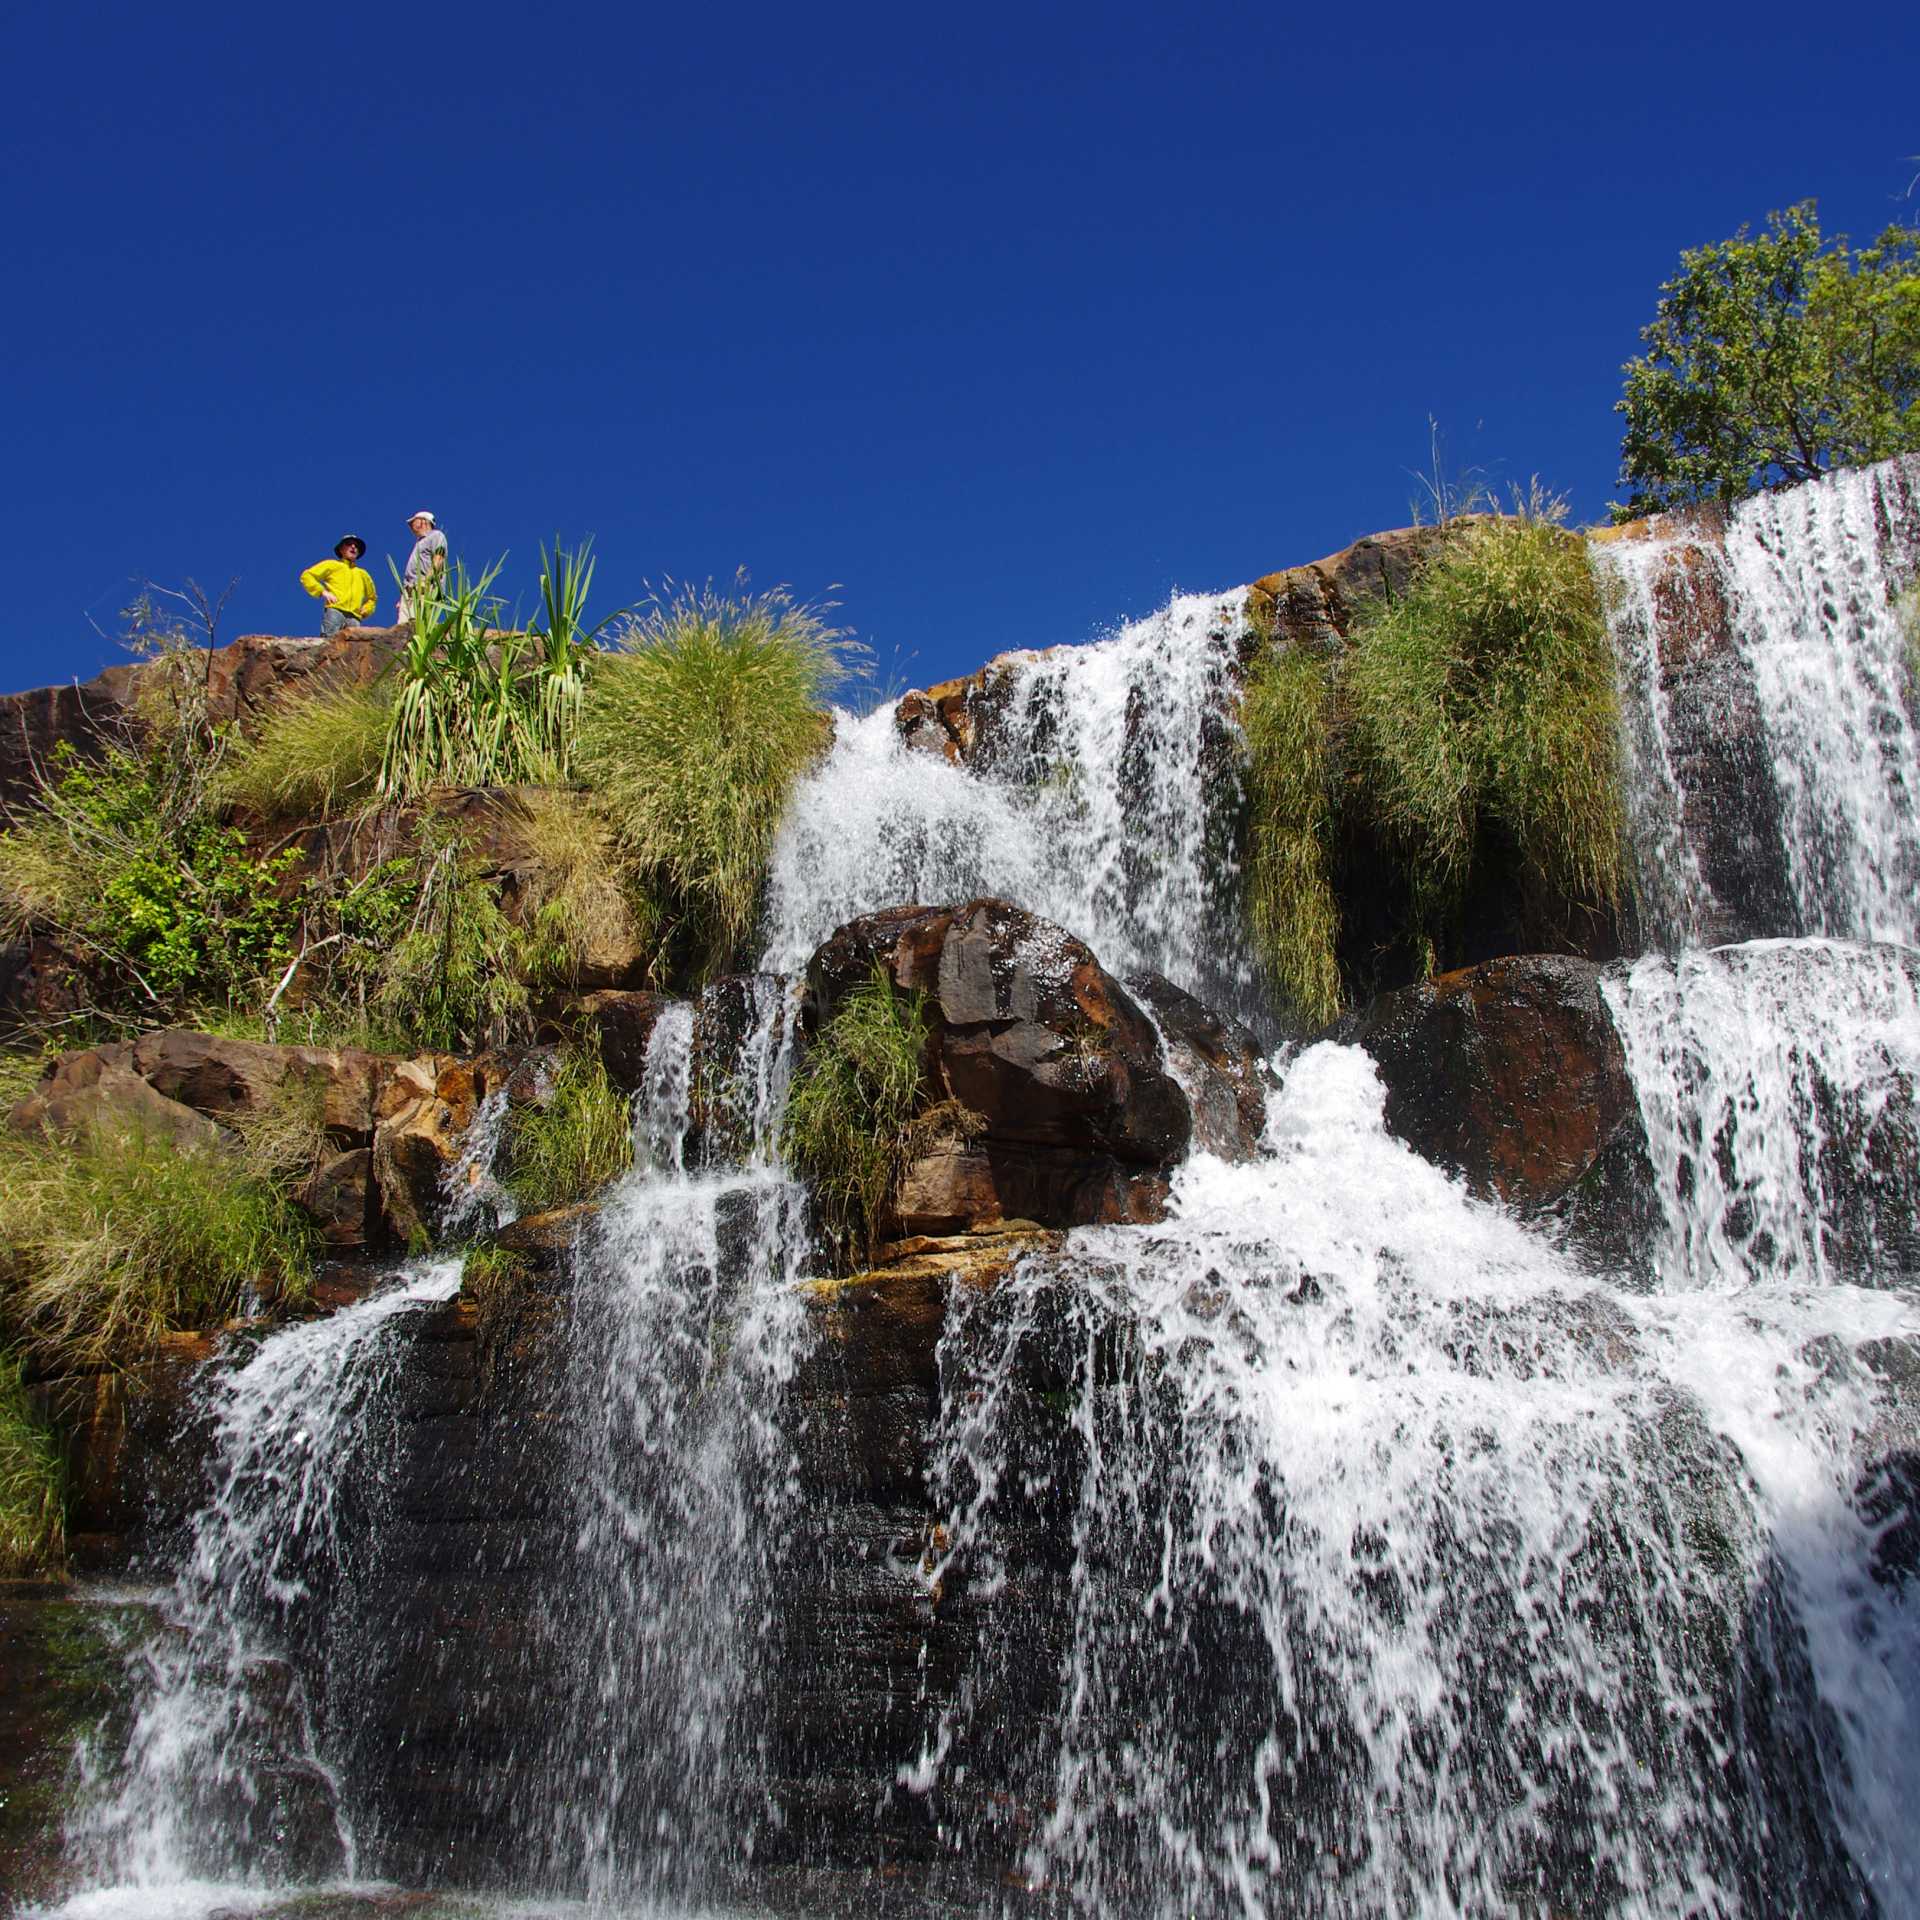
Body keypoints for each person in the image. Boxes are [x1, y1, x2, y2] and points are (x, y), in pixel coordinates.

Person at [298, 536, 377, 636]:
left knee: (354, 647)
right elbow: (307, 576)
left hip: (354, 617)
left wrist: (366, 609)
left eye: (357, 546)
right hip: (335, 611)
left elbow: (372, 598)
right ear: (341, 549)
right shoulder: (332, 565)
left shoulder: (363, 574)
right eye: (349, 543)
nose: (353, 547)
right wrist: (323, 592)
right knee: (329, 642)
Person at [397, 510, 448, 623]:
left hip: (424, 587)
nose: (411, 526)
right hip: (410, 590)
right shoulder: (419, 543)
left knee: (419, 622)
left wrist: (427, 580)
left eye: (413, 522)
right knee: (403, 624)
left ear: (423, 521)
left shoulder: (436, 535)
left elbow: (438, 558)